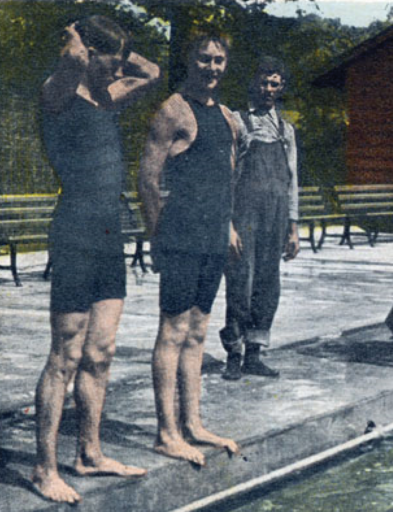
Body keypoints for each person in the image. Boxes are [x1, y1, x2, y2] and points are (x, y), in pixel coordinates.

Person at [33, 16, 159, 503]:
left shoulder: (108, 96)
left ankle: (89, 452)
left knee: (101, 352)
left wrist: (117, 52)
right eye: (109, 58)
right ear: (89, 52)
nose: (117, 69)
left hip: (109, 232)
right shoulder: (58, 94)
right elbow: (72, 58)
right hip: (74, 230)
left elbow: (149, 73)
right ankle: (45, 469)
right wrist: (76, 34)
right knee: (64, 354)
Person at [139, 33, 241, 465]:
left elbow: (225, 176)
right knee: (173, 331)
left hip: (214, 234)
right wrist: (156, 234)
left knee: (199, 331)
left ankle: (193, 424)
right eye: (204, 59)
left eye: (219, 60)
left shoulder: (227, 116)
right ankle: (167, 432)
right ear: (190, 59)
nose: (212, 67)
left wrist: (230, 224)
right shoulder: (173, 110)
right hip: (181, 234)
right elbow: (147, 178)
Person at [219, 57, 299, 381]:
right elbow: (225, 176)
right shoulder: (238, 122)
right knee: (241, 280)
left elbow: (293, 180)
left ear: (281, 88)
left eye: (275, 84)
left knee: (268, 283)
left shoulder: (286, 130)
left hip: (276, 216)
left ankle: (255, 353)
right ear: (255, 84)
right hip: (245, 215)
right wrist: (228, 224)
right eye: (264, 82)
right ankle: (234, 354)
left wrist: (294, 228)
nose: (268, 89)